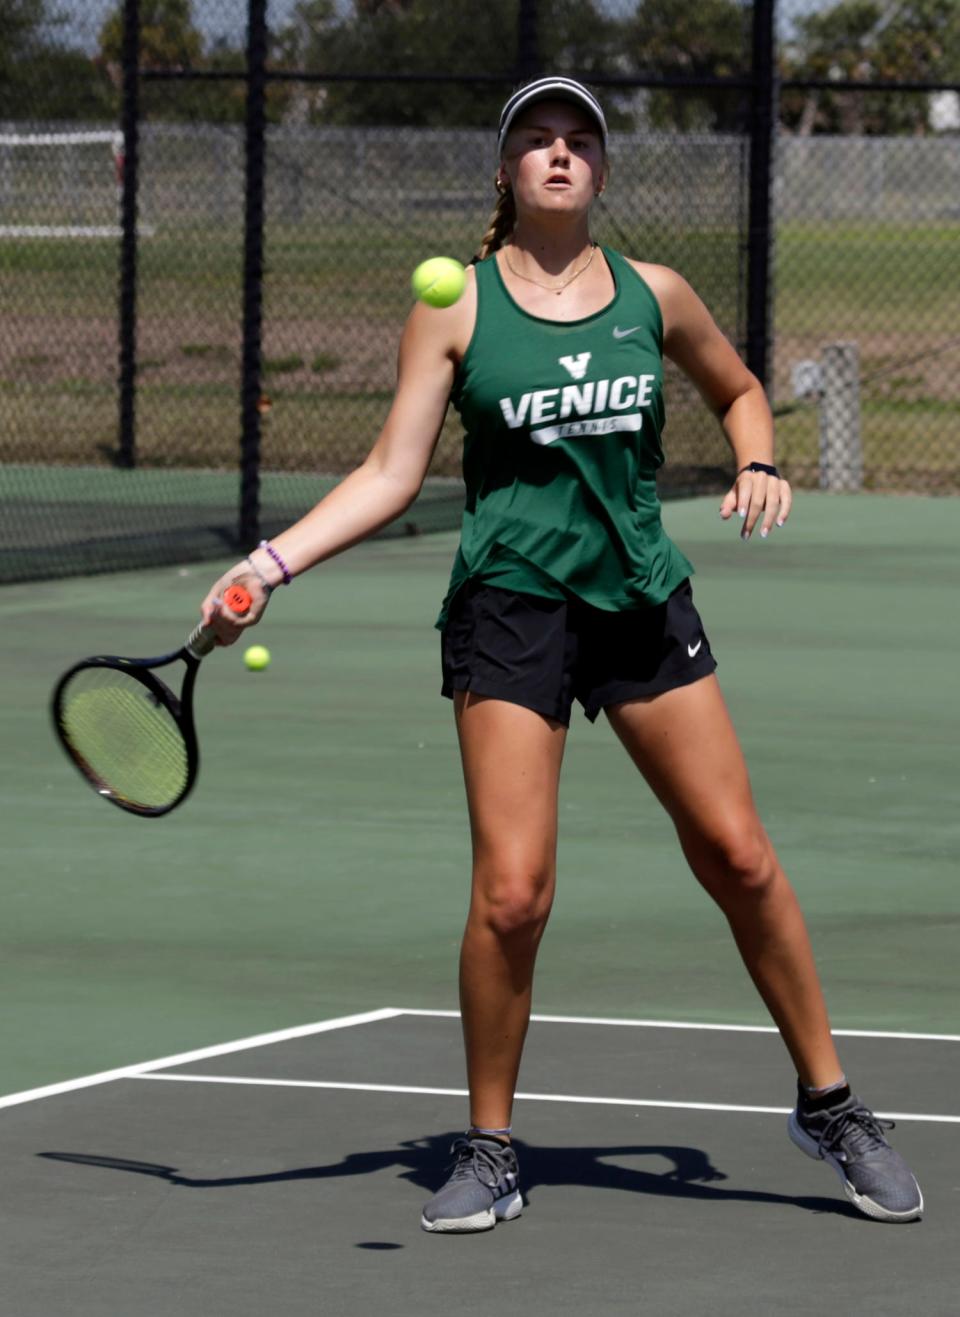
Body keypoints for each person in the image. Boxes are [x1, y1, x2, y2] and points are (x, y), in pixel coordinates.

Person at [201, 76, 922, 1233]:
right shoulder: (457, 308)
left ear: (600, 171)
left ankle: (829, 1104)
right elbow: (392, 474)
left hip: (638, 599)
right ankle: (490, 1148)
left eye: (577, 139)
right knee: (514, 894)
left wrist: (760, 458)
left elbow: (739, 392)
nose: (557, 153)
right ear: (505, 172)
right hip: (512, 608)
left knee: (738, 856)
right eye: (535, 140)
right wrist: (267, 569)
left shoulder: (655, 293)